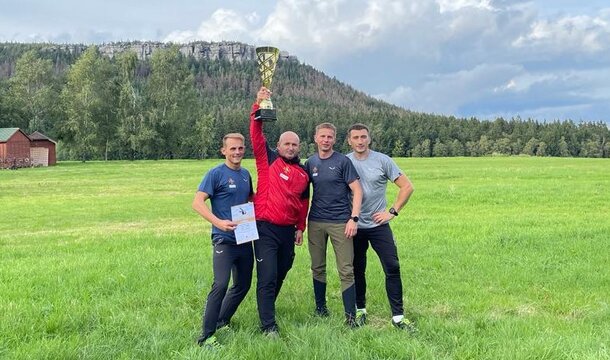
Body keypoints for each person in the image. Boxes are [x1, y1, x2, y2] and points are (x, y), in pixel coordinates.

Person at [249, 87, 310, 336]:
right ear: (278, 145)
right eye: (287, 143)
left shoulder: (304, 173)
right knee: (268, 275)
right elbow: (255, 134)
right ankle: (268, 325)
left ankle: (266, 308)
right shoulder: (268, 161)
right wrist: (258, 105)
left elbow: (303, 203)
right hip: (265, 228)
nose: (291, 147)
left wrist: (300, 228)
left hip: (288, 231)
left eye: (295, 144)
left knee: (283, 270)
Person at [346, 123, 416, 332]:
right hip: (355, 225)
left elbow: (407, 186)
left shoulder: (382, 160)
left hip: (378, 225)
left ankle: (398, 317)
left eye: (363, 137)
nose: (360, 141)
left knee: (392, 266)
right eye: (356, 137)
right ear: (349, 140)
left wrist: (392, 212)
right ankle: (360, 311)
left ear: (369, 139)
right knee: (357, 269)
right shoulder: (344, 162)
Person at [192, 133, 254, 349]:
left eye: (240, 148)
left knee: (243, 285)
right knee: (220, 285)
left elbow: (249, 201)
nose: (237, 152)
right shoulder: (216, 174)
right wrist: (218, 222)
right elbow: (197, 202)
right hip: (224, 240)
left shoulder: (246, 174)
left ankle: (222, 320)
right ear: (224, 150)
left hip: (245, 239)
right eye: (232, 149)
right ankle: (206, 336)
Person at [305, 122, 363, 327]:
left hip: (341, 222)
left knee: (346, 269)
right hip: (316, 222)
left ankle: (350, 316)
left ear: (334, 139)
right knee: (317, 267)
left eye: (329, 137)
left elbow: (357, 190)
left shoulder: (343, 162)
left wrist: (353, 218)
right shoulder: (310, 162)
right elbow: (303, 195)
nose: (326, 140)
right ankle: (320, 309)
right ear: (315, 138)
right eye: (322, 136)